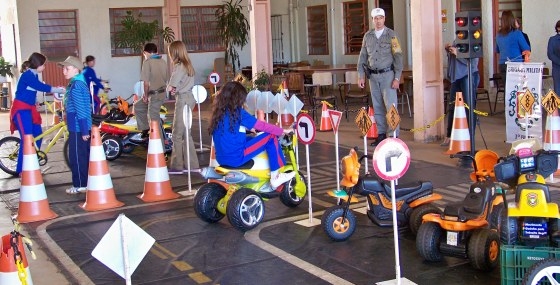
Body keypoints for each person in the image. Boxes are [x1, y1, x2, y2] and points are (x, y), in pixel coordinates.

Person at [208, 81, 295, 189]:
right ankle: (275, 177)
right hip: (236, 157)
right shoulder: (238, 112)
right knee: (270, 137)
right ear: (237, 98)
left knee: (252, 137)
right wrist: (282, 131)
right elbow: (261, 126)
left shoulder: (219, 112)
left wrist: (251, 130)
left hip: (220, 158)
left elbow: (230, 131)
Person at [9, 52, 65, 176]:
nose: (44, 67)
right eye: (43, 65)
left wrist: (36, 102)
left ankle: (33, 163)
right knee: (27, 138)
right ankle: (21, 170)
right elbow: (39, 87)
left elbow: (30, 90)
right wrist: (58, 89)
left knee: (38, 135)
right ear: (38, 64)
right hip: (21, 110)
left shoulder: (33, 75)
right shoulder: (28, 75)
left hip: (30, 109)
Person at [357, 7, 403, 146]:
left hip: (388, 75)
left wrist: (397, 78)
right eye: (375, 18)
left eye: (380, 18)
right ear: (372, 20)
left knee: (391, 107)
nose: (378, 21)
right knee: (377, 106)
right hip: (373, 77)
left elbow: (398, 57)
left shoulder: (392, 35)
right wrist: (360, 75)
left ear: (384, 19)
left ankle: (393, 136)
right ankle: (381, 135)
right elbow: (363, 56)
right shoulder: (368, 36)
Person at [59, 56, 92, 194]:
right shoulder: (78, 83)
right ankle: (84, 183)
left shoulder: (76, 86)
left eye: (67, 68)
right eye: (63, 68)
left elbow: (81, 110)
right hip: (79, 127)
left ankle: (80, 184)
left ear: (76, 70)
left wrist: (84, 131)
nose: (64, 71)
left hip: (79, 128)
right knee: (82, 155)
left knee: (77, 157)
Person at [166, 41, 200, 174]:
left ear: (174, 52)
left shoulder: (179, 66)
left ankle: (176, 166)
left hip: (183, 100)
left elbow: (171, 85)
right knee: (186, 133)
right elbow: (180, 84)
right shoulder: (187, 64)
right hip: (189, 97)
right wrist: (176, 89)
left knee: (177, 133)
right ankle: (192, 165)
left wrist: (169, 88)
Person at [441, 43, 480, 146]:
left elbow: (473, 61)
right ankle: (449, 136)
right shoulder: (457, 39)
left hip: (468, 75)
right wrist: (448, 50)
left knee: (469, 107)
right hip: (456, 77)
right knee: (452, 107)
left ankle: (470, 138)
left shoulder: (474, 38)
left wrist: (457, 53)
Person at [133, 43, 169, 139]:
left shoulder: (147, 62)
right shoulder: (163, 61)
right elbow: (167, 78)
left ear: (145, 53)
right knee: (138, 106)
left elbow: (146, 83)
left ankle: (160, 147)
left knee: (153, 120)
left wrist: (145, 95)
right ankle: (145, 129)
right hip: (162, 93)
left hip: (154, 95)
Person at [496, 10, 531, 80]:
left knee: (507, 88)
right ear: (512, 20)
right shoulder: (517, 33)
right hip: (516, 65)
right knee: (516, 88)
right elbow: (526, 49)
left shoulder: (498, 35)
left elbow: (497, 50)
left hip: (502, 64)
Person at [547, 20, 560, 95]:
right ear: (558, 28)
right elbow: (550, 54)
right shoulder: (552, 39)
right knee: (558, 90)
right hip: (557, 69)